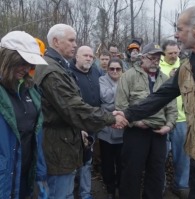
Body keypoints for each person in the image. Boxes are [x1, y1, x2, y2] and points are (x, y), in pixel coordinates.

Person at [114, 6, 195, 199]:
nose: (176, 34)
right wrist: (127, 114)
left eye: (180, 29)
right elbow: (161, 96)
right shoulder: (187, 66)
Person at [34, 24, 128, 199]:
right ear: (55, 41)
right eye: (71, 40)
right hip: (58, 148)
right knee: (59, 193)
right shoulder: (52, 71)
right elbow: (74, 108)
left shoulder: (60, 67)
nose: (75, 44)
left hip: (66, 140)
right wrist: (110, 118)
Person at [115, 42, 177, 199]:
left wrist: (169, 126)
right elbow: (121, 105)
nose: (155, 61)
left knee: (156, 172)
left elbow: (172, 107)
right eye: (152, 58)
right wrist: (136, 123)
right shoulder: (128, 76)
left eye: (158, 58)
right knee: (131, 171)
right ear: (142, 58)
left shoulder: (165, 78)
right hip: (136, 133)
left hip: (159, 133)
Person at [0, 31, 47, 198]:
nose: (26, 69)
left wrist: (40, 175)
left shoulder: (30, 90)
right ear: (7, 59)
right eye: (22, 63)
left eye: (30, 64)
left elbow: (36, 134)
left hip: (25, 176)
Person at [70, 45, 104, 199]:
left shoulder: (96, 71)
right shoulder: (68, 73)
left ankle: (85, 193)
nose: (89, 58)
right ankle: (71, 192)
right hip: (75, 125)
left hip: (93, 124)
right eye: (85, 55)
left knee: (87, 160)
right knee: (73, 161)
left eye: (91, 56)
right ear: (76, 56)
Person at [160, 39, 190, 198]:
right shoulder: (157, 67)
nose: (173, 56)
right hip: (162, 119)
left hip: (182, 119)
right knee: (160, 156)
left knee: (183, 155)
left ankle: (181, 185)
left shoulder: (186, 66)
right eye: (170, 53)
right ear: (164, 53)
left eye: (176, 53)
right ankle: (160, 185)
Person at [98, 58, 124, 199]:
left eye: (118, 69)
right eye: (111, 69)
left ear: (121, 70)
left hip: (122, 128)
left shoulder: (126, 79)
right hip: (106, 130)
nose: (114, 71)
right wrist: (121, 93)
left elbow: (129, 100)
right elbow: (105, 97)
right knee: (107, 162)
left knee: (122, 162)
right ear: (107, 69)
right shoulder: (101, 80)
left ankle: (120, 187)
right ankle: (110, 189)